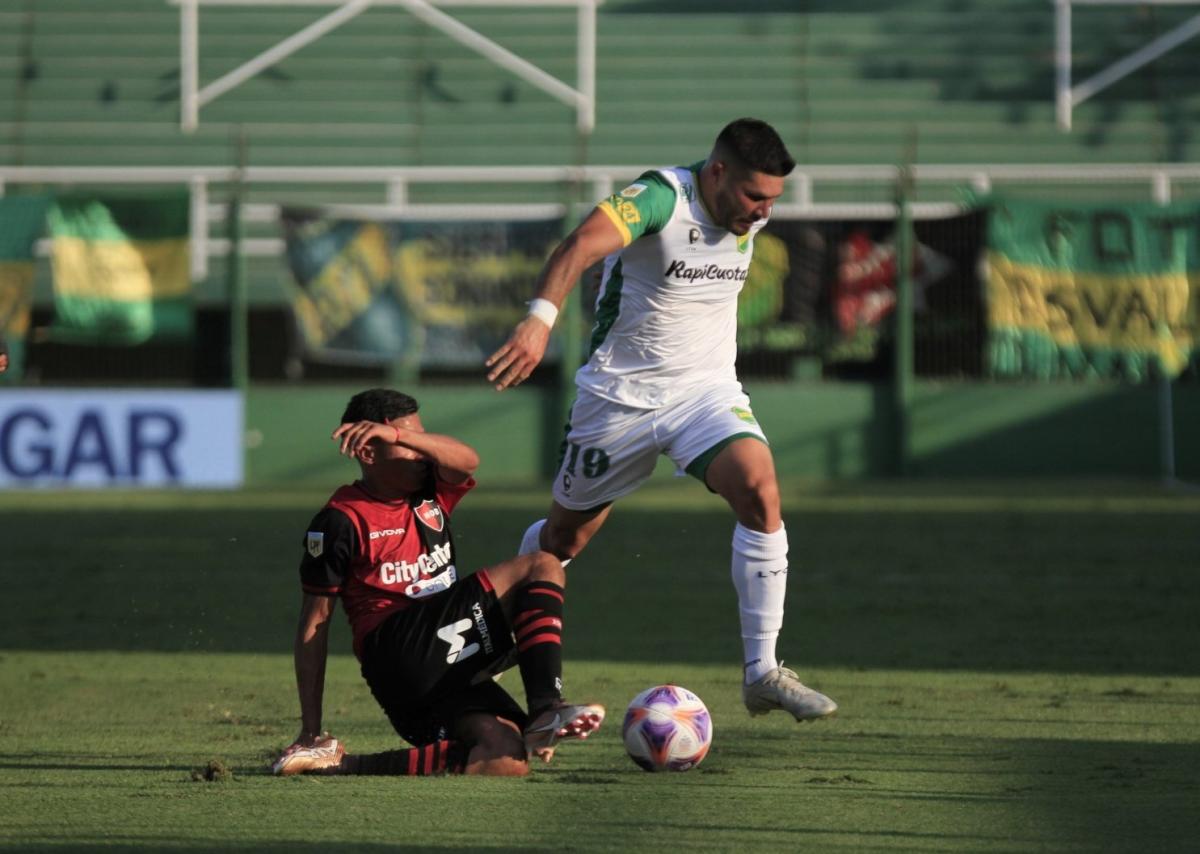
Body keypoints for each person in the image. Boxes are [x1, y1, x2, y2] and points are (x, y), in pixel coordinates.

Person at [485, 118, 837, 722]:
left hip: (704, 393)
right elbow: (578, 245)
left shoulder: (750, 210)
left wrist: (757, 206)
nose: (761, 213)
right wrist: (540, 319)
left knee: (760, 488)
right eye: (755, 197)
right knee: (562, 541)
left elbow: (748, 215)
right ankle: (490, 639)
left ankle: (762, 672)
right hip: (618, 399)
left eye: (772, 201)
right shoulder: (660, 197)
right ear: (718, 172)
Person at [272, 388, 604, 777]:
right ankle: (547, 706)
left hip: (442, 667)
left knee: (506, 756)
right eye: (403, 442)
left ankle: (340, 765)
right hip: (397, 650)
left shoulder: (431, 488)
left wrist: (401, 437)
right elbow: (314, 623)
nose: (422, 452)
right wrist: (310, 727)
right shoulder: (341, 521)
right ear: (367, 452)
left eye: (421, 438)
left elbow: (468, 460)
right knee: (542, 566)